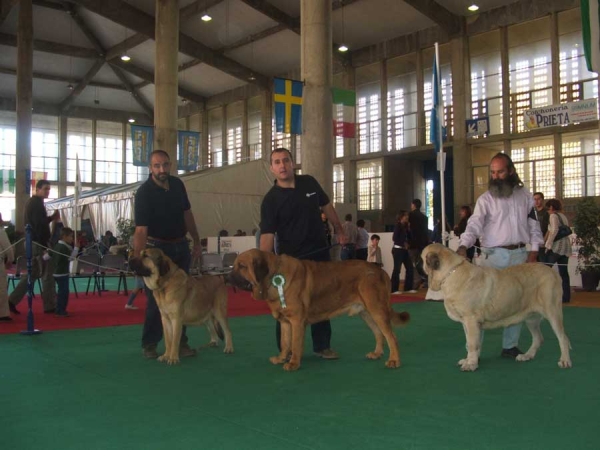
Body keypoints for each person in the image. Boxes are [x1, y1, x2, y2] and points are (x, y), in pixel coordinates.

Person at [260, 147, 347, 360]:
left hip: (319, 254)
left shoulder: (309, 182)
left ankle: (322, 346)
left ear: (292, 163)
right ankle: (286, 351)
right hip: (290, 264)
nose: (282, 165)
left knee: (322, 299)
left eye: (286, 160)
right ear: (272, 168)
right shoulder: (270, 200)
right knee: (285, 307)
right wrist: (263, 264)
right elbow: (268, 235)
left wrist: (339, 228)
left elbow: (326, 205)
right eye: (277, 162)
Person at [457, 152, 544, 359]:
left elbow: (534, 225)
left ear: (511, 171)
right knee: (480, 306)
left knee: (516, 302)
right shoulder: (485, 200)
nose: (495, 176)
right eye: (492, 172)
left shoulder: (525, 196)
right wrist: (463, 246)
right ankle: (474, 351)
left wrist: (534, 250)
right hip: (493, 257)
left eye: (500, 172)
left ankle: (510, 346)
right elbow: (474, 224)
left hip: (520, 256)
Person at [132, 150, 202, 359]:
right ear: (150, 168)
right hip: (157, 252)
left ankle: (180, 343)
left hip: (181, 247)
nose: (162, 170)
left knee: (182, 298)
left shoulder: (178, 185)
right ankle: (150, 343)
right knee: (156, 300)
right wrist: (138, 260)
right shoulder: (144, 193)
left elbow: (187, 214)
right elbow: (141, 230)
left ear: (170, 164)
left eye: (165, 165)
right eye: (157, 166)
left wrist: (197, 240)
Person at [9, 179, 60, 315]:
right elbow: (39, 226)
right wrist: (45, 246)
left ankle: (12, 300)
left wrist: (50, 218)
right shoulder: (36, 204)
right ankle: (49, 305)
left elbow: (40, 222)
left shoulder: (33, 203)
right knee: (47, 274)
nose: (47, 191)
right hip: (38, 243)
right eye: (45, 189)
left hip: (33, 242)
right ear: (37, 189)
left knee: (33, 274)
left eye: (49, 189)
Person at [544, 198, 572, 303]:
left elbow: (554, 230)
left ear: (551, 207)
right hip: (566, 247)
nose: (547, 210)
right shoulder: (563, 216)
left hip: (556, 247)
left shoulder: (553, 216)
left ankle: (546, 295)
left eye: (548, 207)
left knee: (545, 269)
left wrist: (548, 244)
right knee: (564, 272)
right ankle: (566, 297)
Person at [50, 227, 78, 317]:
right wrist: (76, 249)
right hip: (62, 273)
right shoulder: (64, 247)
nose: (72, 239)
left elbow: (47, 256)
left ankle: (59, 308)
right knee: (64, 292)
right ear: (64, 237)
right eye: (70, 237)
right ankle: (60, 310)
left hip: (55, 272)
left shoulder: (56, 246)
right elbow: (70, 258)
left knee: (61, 291)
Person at [390, 211, 415, 295]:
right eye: (405, 216)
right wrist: (403, 243)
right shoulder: (398, 226)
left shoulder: (405, 227)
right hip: (398, 250)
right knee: (397, 269)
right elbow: (395, 238)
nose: (407, 217)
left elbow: (410, 237)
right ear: (401, 217)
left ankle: (408, 287)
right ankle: (393, 289)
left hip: (404, 250)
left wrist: (409, 229)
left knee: (410, 267)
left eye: (407, 216)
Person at [408, 198, 429, 289]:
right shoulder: (424, 217)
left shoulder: (410, 216)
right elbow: (425, 231)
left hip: (412, 243)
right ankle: (427, 279)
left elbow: (409, 230)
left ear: (413, 205)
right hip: (422, 244)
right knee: (421, 263)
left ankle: (416, 280)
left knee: (411, 263)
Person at [0, 213, 14, 321]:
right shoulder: (1, 232)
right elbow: (8, 248)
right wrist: (10, 260)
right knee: (1, 289)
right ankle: (2, 314)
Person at [533, 192, 550, 262]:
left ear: (542, 200)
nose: (536, 201)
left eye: (538, 199)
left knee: (543, 263)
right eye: (534, 199)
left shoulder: (547, 212)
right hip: (535, 241)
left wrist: (544, 240)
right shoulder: (532, 212)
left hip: (544, 241)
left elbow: (550, 228)